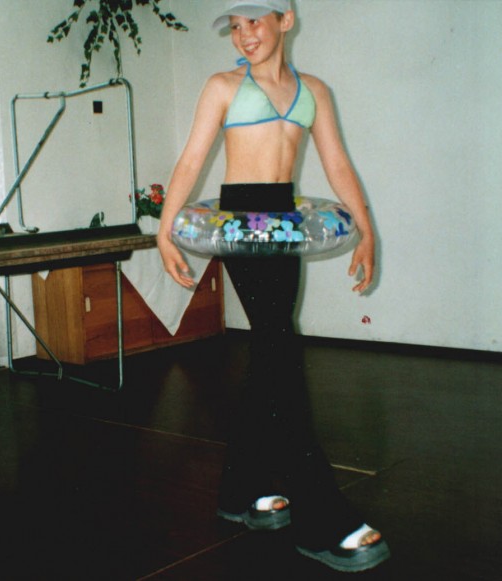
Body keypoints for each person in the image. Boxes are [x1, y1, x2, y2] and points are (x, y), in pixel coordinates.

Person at [156, 0, 389, 573]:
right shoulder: (222, 87)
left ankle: (243, 491)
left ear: (285, 19)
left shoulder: (314, 91)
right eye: (235, 26)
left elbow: (337, 164)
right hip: (242, 224)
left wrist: (367, 232)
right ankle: (322, 519)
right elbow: (191, 161)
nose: (244, 35)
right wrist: (165, 232)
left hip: (284, 223)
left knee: (270, 354)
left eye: (255, 21)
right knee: (281, 349)